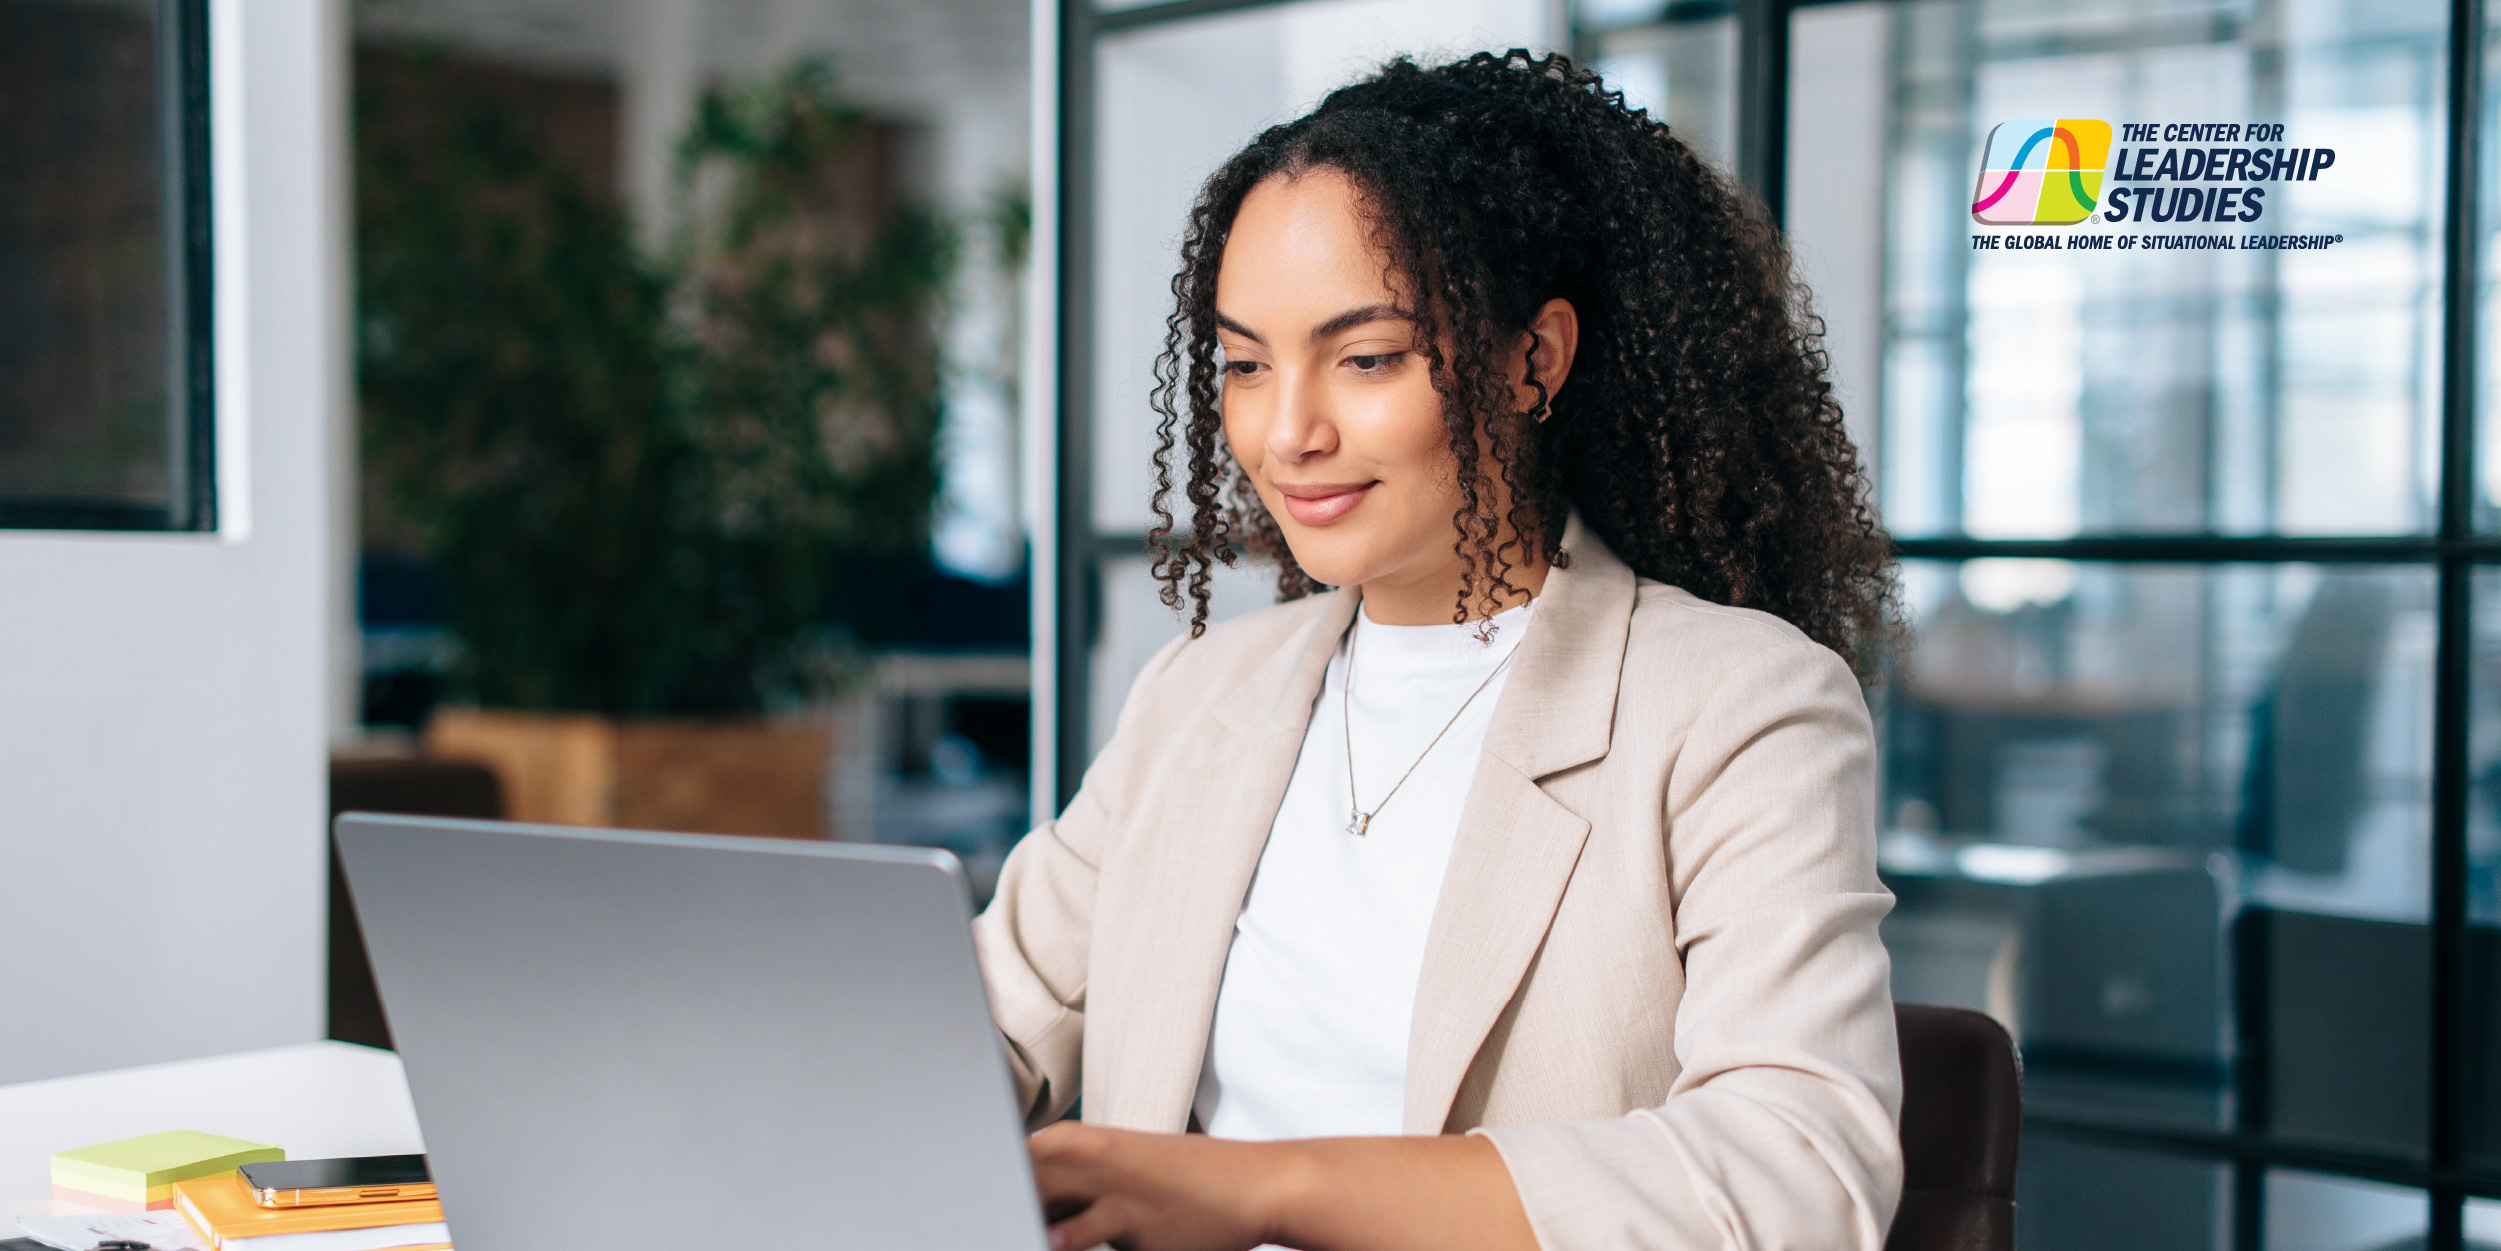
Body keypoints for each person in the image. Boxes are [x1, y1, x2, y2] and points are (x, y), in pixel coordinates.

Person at [977, 49, 1902, 1251]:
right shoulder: (1199, 696)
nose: (1288, 431)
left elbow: (1798, 1175)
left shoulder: (1736, 705)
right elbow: (981, 1023)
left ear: (1534, 360)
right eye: (1246, 365)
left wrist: (1261, 1190)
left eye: (1365, 358)